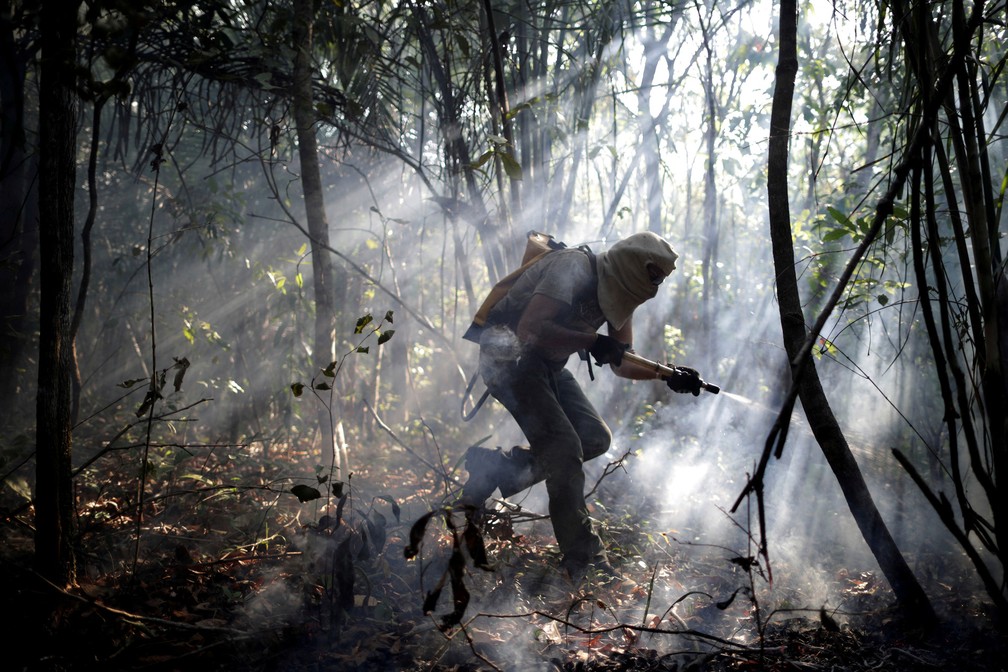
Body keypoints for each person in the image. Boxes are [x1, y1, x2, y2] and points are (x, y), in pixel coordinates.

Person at [459, 231, 703, 584]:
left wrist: (667, 376)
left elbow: (621, 361)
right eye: (652, 276)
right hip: (509, 361)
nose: (654, 285)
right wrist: (592, 341)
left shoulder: (621, 296)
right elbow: (529, 329)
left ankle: (497, 469)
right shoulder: (573, 266)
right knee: (564, 449)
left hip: (546, 366)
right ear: (630, 266)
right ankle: (585, 561)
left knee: (594, 438)